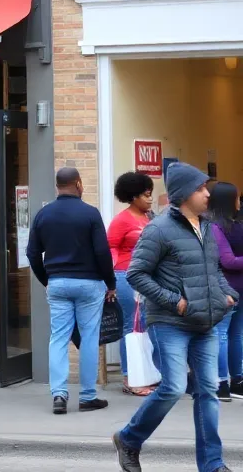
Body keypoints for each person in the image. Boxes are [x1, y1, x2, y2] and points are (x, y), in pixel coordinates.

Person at [114, 162, 238, 472]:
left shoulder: (208, 226)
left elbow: (215, 269)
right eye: (200, 189)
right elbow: (136, 274)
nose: (207, 194)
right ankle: (130, 438)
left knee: (208, 391)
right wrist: (176, 303)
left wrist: (229, 296)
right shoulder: (158, 230)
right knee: (172, 387)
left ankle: (212, 464)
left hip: (206, 322)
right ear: (184, 194)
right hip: (171, 323)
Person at [26, 167, 115, 414]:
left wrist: (47, 279)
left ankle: (59, 395)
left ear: (57, 186)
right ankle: (87, 396)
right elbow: (102, 252)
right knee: (88, 339)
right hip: (89, 284)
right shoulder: (90, 214)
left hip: (57, 283)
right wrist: (110, 283)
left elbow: (32, 253)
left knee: (59, 338)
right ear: (78, 184)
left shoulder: (44, 215)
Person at [108, 171, 160, 396]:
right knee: (131, 327)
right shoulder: (122, 219)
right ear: (132, 196)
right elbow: (110, 247)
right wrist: (109, 280)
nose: (149, 199)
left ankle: (148, 374)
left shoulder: (150, 218)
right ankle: (130, 378)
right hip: (126, 276)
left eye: (150, 194)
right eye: (145, 195)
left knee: (147, 326)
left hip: (148, 278)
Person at [208, 181, 243, 402]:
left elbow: (227, 261)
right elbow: (228, 260)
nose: (239, 201)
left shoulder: (213, 226)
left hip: (228, 289)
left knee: (224, 335)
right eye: (237, 197)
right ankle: (234, 383)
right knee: (234, 335)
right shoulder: (228, 226)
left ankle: (224, 384)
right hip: (233, 289)